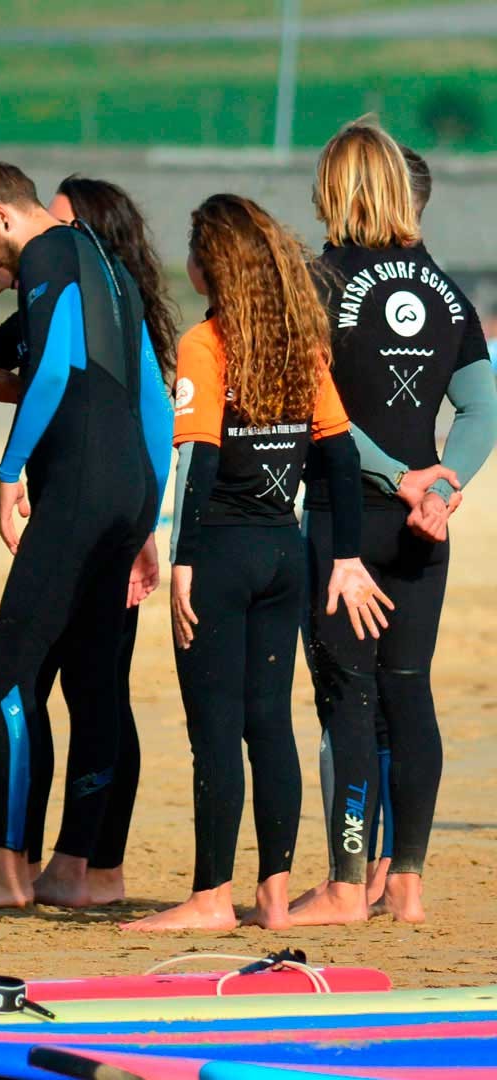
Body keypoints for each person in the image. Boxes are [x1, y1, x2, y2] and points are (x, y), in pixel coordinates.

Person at [126, 194, 388, 931]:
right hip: (284, 553)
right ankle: (274, 894)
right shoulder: (298, 345)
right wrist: (342, 558)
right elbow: (337, 458)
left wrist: (183, 561)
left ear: (209, 267)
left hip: (223, 555)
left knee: (214, 727)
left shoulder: (204, 346)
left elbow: (198, 464)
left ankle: (212, 896)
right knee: (270, 723)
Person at [0, 162, 171, 911]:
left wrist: (10, 468)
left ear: (0, 214)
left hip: (78, 494)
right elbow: (153, 401)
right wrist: (147, 517)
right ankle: (79, 871)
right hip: (124, 492)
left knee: (5, 675)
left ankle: (7, 870)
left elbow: (59, 369)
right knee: (93, 682)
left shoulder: (47, 255)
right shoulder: (107, 265)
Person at [290, 119, 496, 926]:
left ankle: (344, 884)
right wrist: (440, 491)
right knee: (409, 694)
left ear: (339, 188)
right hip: (423, 532)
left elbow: (318, 406)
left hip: (350, 522)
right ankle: (403, 882)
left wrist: (398, 479)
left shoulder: (320, 280)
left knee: (348, 695)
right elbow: (482, 405)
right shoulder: (445, 287)